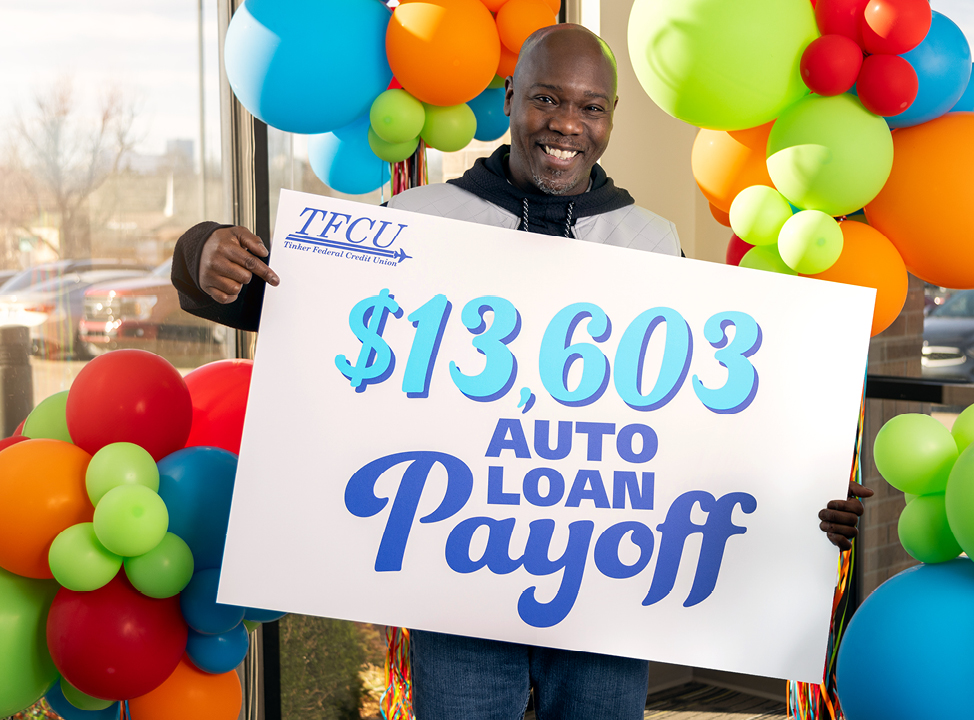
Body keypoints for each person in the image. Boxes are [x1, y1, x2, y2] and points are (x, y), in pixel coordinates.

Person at [172, 23, 871, 720]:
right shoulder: (423, 219)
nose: (566, 123)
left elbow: (700, 415)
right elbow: (302, 309)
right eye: (546, 99)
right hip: (459, 584)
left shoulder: (649, 241)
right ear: (510, 99)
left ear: (611, 118)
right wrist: (204, 256)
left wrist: (798, 502)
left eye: (590, 106)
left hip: (605, 592)